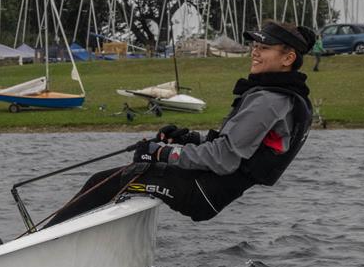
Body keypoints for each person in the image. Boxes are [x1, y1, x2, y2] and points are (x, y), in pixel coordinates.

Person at [47, 20, 315, 226]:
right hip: (204, 183)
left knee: (107, 181)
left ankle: (42, 242)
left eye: (264, 48)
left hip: (202, 192)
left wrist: (163, 152)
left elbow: (224, 159)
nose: (255, 53)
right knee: (114, 180)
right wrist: (189, 139)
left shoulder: (269, 101)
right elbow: (237, 147)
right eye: (255, 46)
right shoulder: (280, 97)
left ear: (288, 58)